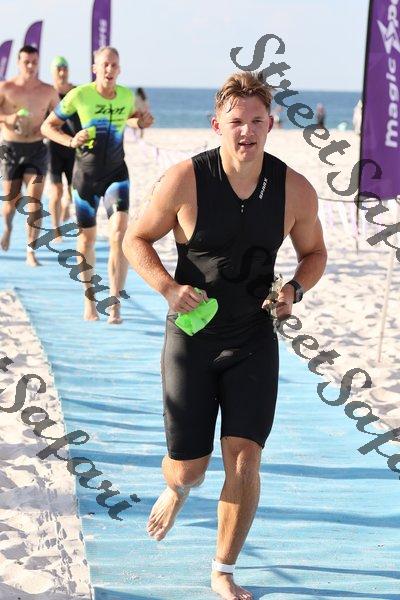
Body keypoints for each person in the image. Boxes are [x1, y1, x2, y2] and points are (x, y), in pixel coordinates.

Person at [122, 71, 327, 600]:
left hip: (253, 338)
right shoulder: (184, 180)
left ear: (270, 125)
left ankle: (222, 569)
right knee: (189, 469)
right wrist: (168, 288)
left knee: (244, 458)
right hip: (191, 339)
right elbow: (135, 240)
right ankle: (177, 489)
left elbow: (314, 253)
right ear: (217, 125)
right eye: (236, 121)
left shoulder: (294, 189)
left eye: (257, 121)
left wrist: (295, 289)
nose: (246, 131)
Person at [41, 46, 153, 323]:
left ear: (119, 69)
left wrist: (142, 122)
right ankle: (89, 299)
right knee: (86, 239)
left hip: (116, 174)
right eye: (104, 65)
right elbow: (48, 126)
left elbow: (133, 117)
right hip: (85, 178)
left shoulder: (126, 96)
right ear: (95, 68)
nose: (109, 69)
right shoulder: (80, 95)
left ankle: (115, 304)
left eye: (114, 65)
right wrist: (70, 141)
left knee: (119, 234)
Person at [0, 45, 59, 266]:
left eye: (34, 62)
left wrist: (45, 128)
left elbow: (59, 118)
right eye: (26, 62)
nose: (31, 66)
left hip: (36, 149)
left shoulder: (48, 91)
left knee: (34, 202)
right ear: (18, 63)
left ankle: (30, 251)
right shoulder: (6, 88)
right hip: (11, 149)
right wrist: (8, 118)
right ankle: (7, 227)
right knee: (11, 203)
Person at [48, 56, 79, 239]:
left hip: (74, 146)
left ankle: (67, 204)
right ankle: (56, 228)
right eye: (58, 69)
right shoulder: (47, 93)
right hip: (53, 148)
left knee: (73, 190)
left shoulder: (76, 92)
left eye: (65, 68)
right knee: (57, 191)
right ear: (52, 72)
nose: (62, 72)